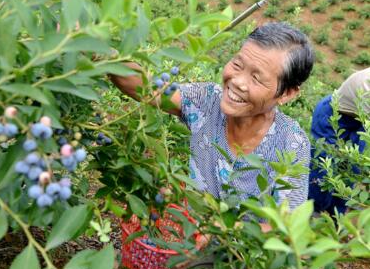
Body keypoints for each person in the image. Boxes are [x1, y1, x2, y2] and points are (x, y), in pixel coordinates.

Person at [110, 22, 315, 211]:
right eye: (237, 65)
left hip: (239, 250)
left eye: (256, 78)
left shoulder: (291, 144)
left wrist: (226, 230)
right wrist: (103, 55)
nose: (237, 82)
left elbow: (286, 228)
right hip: (190, 240)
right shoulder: (207, 100)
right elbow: (148, 89)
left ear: (287, 93)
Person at [309, 68, 369, 215]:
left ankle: (337, 217)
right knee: (323, 166)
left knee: (351, 170)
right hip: (333, 115)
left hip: (359, 121)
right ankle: (313, 211)